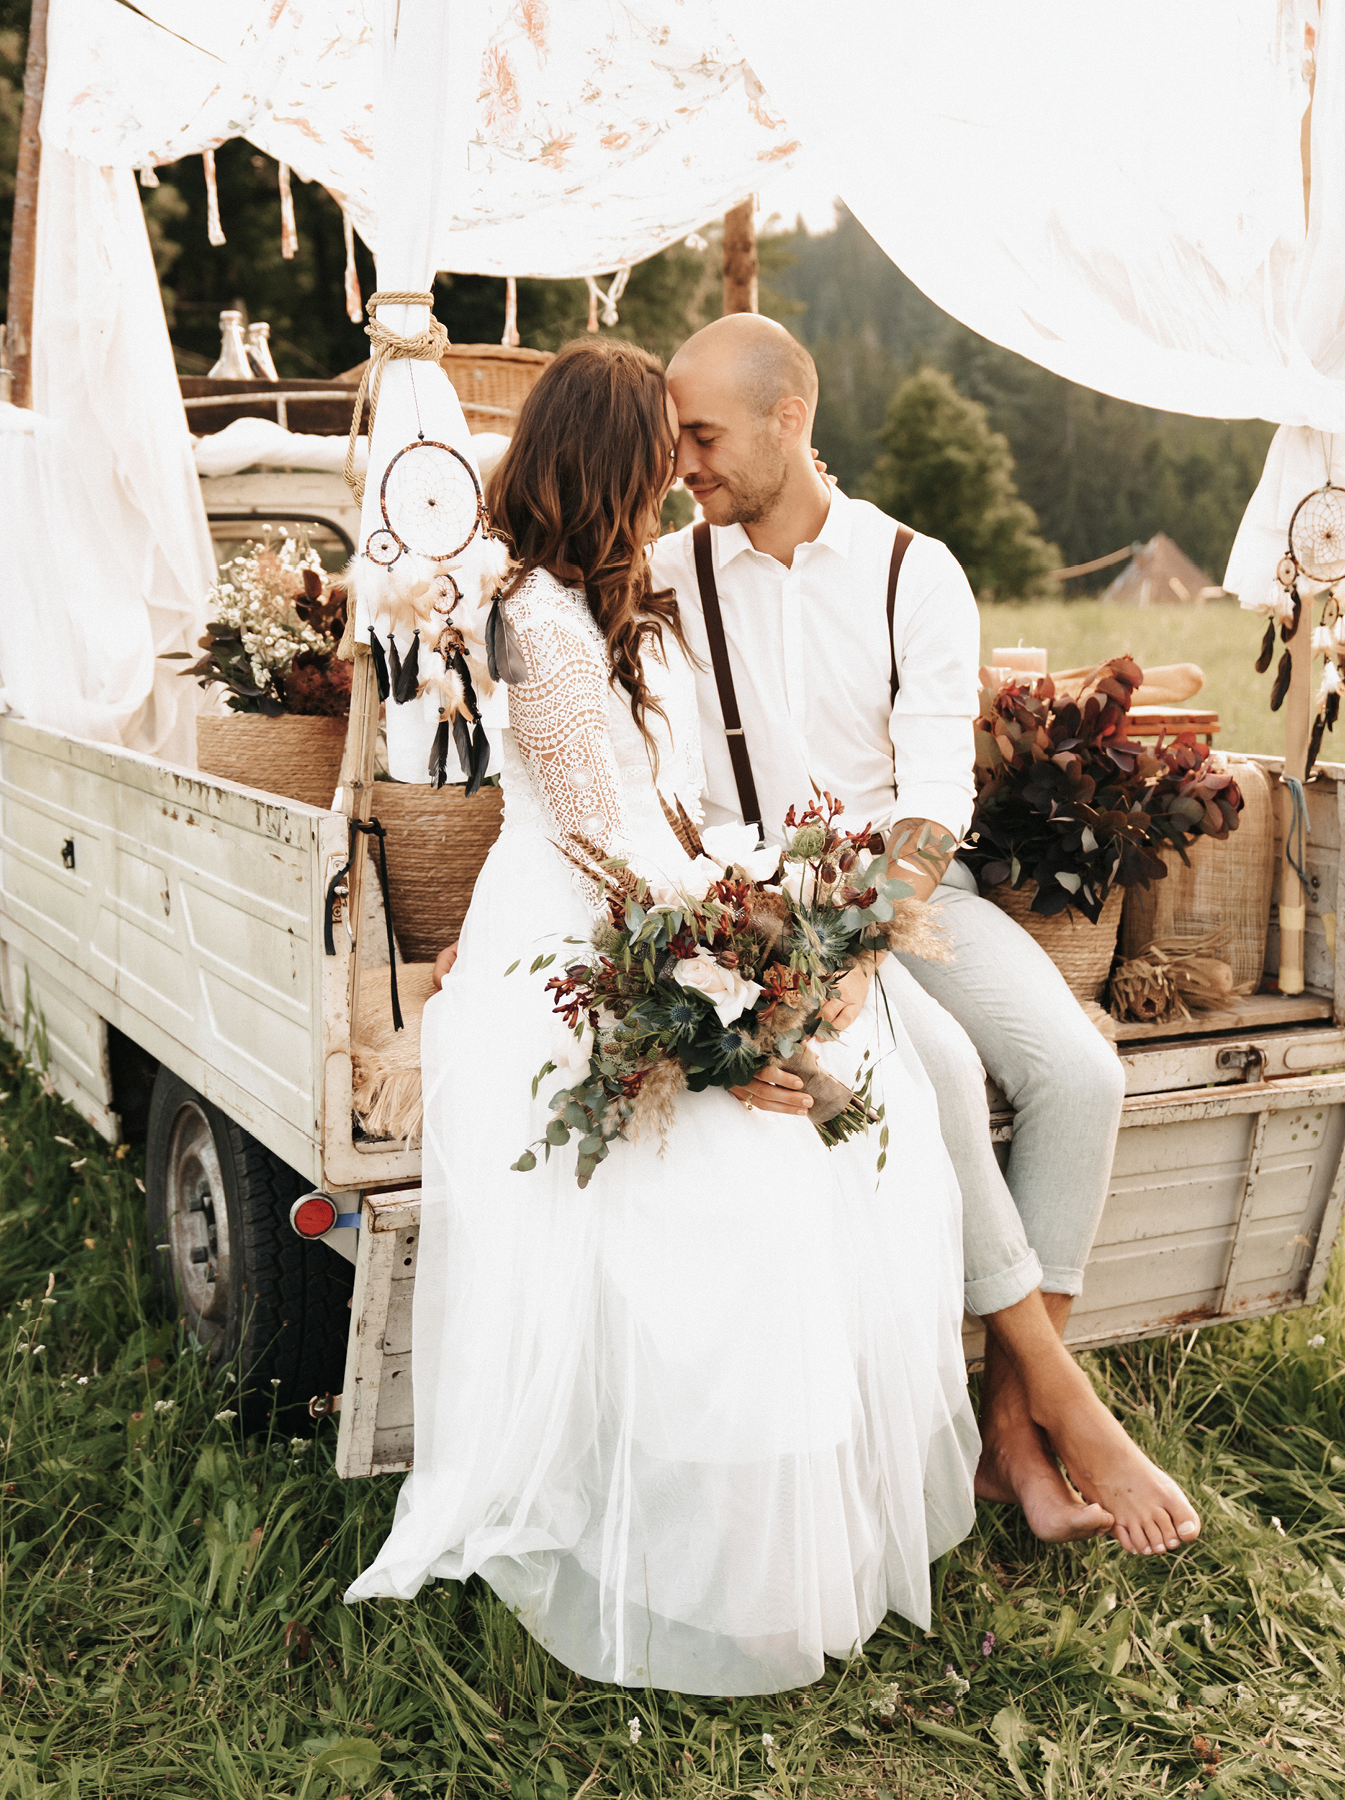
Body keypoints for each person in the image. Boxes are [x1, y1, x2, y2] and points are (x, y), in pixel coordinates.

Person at [347, 337, 981, 1695]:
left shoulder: (612, 600)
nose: (679, 480)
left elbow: (665, 818)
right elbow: (599, 845)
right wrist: (736, 962)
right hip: (583, 944)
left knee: (847, 1120)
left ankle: (764, 1545)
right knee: (744, 1185)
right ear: (612, 461)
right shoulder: (533, 618)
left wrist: (766, 906)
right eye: (663, 455)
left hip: (655, 902)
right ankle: (698, 1561)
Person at [651, 312, 1201, 1558]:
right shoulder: (674, 577)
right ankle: (1064, 1409)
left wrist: (874, 934)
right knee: (944, 1076)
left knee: (1081, 1072)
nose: (683, 462)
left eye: (703, 434)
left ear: (789, 420)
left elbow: (932, 792)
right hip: (767, 906)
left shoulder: (915, 570)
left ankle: (1011, 1423)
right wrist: (801, 942)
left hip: (916, 892)